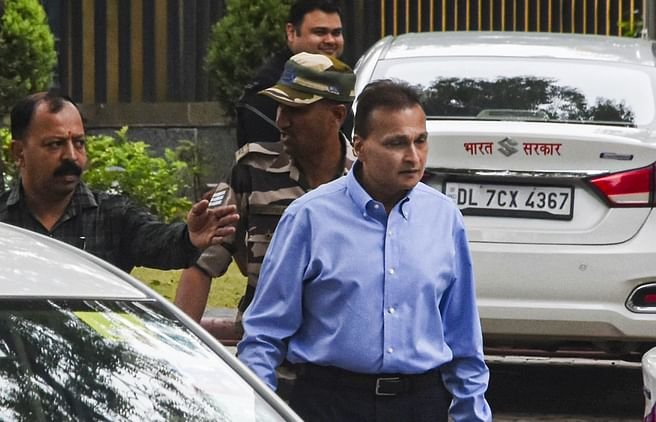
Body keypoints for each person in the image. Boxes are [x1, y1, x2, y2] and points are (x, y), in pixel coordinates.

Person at [237, 80, 492, 422]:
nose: (413, 157)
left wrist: (472, 413)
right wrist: (257, 412)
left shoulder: (444, 218)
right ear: (359, 146)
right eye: (396, 143)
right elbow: (264, 334)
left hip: (420, 404)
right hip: (330, 403)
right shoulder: (309, 218)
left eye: (420, 141)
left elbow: (464, 338)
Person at [174, 52, 356, 323]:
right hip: (264, 341)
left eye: (296, 110)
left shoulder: (365, 181)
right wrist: (181, 343)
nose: (281, 121)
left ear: (337, 115)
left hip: (338, 340)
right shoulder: (252, 169)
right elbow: (201, 264)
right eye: (279, 107)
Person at [0, 91, 239, 273]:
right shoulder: (4, 221)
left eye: (79, 143)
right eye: (55, 144)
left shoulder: (113, 216)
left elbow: (156, 240)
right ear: (19, 152)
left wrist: (188, 237)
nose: (71, 156)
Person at [236, 0, 348, 148]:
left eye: (336, 33)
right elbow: (266, 156)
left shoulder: (342, 83)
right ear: (291, 33)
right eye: (320, 32)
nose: (330, 40)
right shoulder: (268, 88)